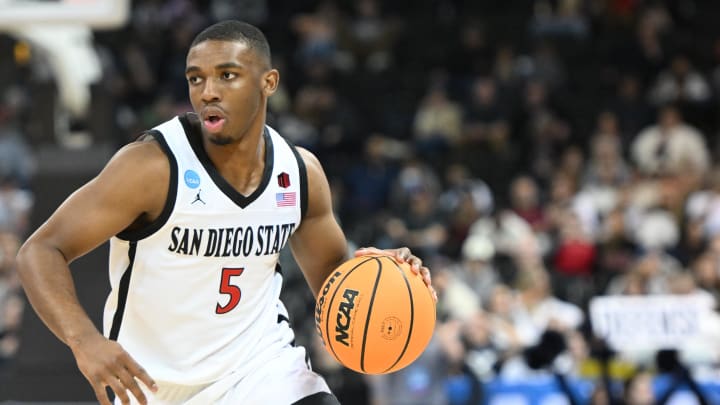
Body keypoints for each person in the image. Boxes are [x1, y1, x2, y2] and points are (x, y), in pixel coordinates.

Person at [15, 20, 435, 405]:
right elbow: (40, 250)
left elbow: (336, 282)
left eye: (226, 75)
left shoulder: (299, 174)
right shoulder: (151, 167)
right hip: (151, 386)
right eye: (196, 79)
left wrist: (386, 273)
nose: (207, 91)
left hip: (261, 370)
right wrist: (84, 341)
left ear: (268, 82)